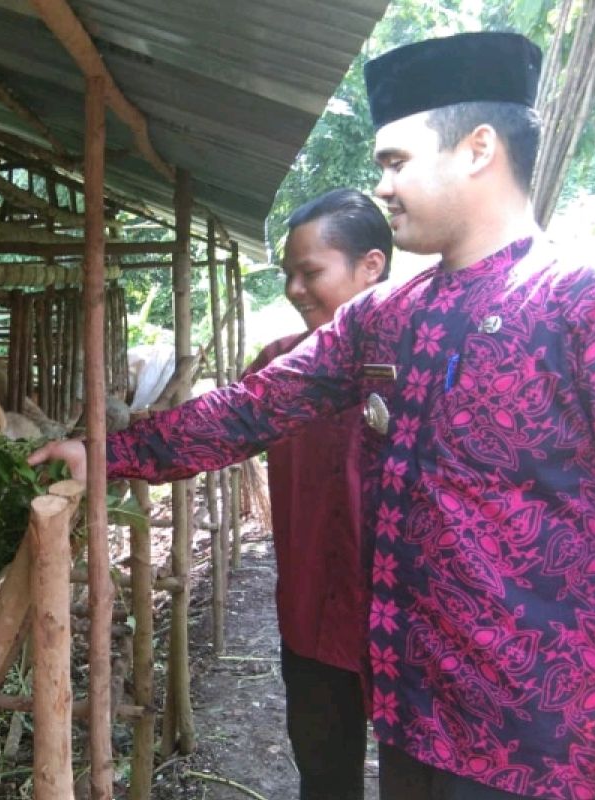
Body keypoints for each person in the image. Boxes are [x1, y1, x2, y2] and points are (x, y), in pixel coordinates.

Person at [31, 31, 595, 800]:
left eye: (396, 162)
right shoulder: (388, 316)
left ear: (477, 149)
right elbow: (252, 410)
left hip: (536, 736)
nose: (385, 187)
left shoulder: (578, 303)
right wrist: (105, 456)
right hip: (410, 715)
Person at [251, 188, 392, 800]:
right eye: (288, 275)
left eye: (310, 272)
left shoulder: (425, 366)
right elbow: (209, 429)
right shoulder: (278, 368)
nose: (294, 289)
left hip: (410, 627)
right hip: (310, 619)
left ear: (371, 266)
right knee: (325, 781)